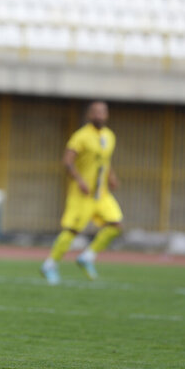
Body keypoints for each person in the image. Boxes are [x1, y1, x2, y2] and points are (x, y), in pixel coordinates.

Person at [41, 101, 122, 285]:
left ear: (107, 115)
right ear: (89, 115)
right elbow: (67, 161)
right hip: (81, 194)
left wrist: (112, 176)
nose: (100, 115)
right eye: (96, 112)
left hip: (101, 194)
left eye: (103, 112)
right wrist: (79, 180)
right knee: (72, 231)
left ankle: (87, 257)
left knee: (116, 225)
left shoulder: (109, 136)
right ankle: (50, 265)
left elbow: (105, 161)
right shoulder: (81, 136)